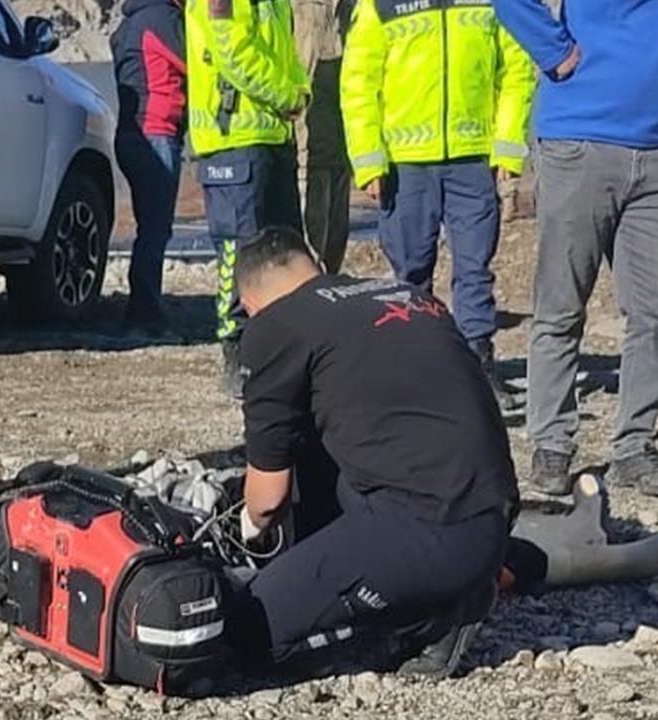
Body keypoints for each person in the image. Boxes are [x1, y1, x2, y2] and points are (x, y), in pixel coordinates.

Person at [229, 227, 518, 677]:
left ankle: (434, 616)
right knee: (321, 446)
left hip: (432, 531)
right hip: (490, 512)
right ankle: (464, 576)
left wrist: (249, 537)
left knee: (246, 629)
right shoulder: (402, 292)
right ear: (319, 269)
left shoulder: (274, 326)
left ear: (251, 305)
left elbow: (266, 501)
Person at [495, 0, 658, 498]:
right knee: (562, 306)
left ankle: (635, 447)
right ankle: (551, 444)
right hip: (578, 140)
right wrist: (552, 49)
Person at [340, 0, 535, 409]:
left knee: (475, 268)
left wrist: (507, 149)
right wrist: (368, 159)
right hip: (405, 166)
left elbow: (517, 69)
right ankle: (415, 369)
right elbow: (358, 82)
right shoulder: (380, 4)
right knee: (410, 273)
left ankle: (477, 368)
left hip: (472, 160)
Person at [185, 0, 309, 396]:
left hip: (271, 136)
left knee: (284, 251)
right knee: (238, 251)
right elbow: (232, 48)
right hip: (234, 139)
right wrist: (288, 95)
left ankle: (290, 349)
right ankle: (237, 351)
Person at [111, 0, 188, 336]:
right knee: (155, 230)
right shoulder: (163, 18)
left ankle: (143, 310)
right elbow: (194, 63)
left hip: (130, 133)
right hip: (156, 131)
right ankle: (144, 316)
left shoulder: (129, 23)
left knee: (149, 228)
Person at [292, 0, 354, 274]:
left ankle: (328, 293)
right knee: (309, 233)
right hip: (305, 134)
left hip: (343, 135)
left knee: (336, 232)